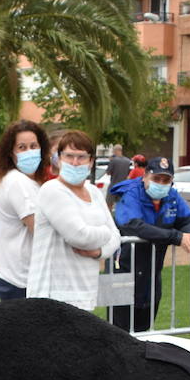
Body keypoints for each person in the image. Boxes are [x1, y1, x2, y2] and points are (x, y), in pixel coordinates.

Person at [27, 129, 122, 311]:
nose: (75, 163)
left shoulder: (94, 192)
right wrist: (106, 232)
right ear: (59, 158)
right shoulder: (52, 190)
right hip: (52, 295)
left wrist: (99, 251)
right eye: (69, 156)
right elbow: (79, 235)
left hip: (85, 292)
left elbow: (116, 237)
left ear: (91, 161)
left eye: (81, 157)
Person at [106, 155, 190, 332]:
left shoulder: (171, 196)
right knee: (117, 333)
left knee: (145, 332)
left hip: (151, 274)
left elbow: (189, 220)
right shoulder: (130, 193)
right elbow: (134, 226)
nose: (161, 183)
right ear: (145, 176)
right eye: (156, 178)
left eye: (166, 180)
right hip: (121, 271)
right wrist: (176, 237)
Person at [0, 120, 51, 301]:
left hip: (15, 276)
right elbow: (41, 230)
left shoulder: (22, 181)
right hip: (19, 280)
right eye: (22, 147)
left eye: (33, 146)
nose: (29, 151)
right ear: (11, 153)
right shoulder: (18, 182)